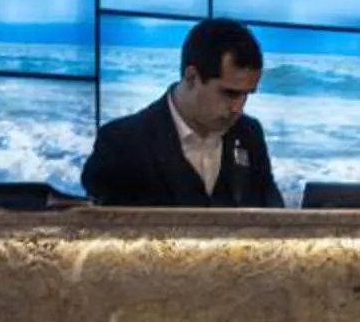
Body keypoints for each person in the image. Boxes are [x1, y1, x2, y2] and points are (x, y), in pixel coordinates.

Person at [82, 18, 283, 207]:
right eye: (229, 93)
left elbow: (273, 219)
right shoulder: (121, 144)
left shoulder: (250, 134)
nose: (238, 108)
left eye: (246, 95)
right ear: (191, 77)